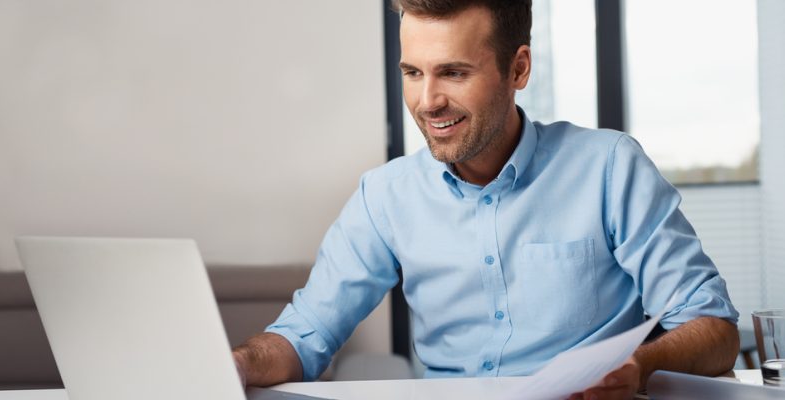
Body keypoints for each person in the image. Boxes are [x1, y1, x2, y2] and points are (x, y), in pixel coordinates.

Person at [232, 1, 740, 399]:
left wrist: (640, 365)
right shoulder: (385, 196)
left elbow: (714, 331)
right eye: (413, 72)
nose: (428, 101)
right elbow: (305, 335)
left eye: (453, 73)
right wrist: (238, 363)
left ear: (518, 69)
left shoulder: (609, 168)